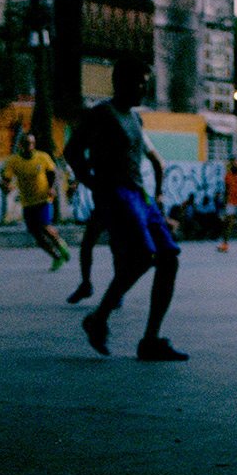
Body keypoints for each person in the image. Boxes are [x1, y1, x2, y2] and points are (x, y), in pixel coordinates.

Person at [64, 57, 188, 361]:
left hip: (139, 194)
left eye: (146, 83)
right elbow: (72, 151)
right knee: (142, 257)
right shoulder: (101, 114)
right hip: (115, 193)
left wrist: (154, 196)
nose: (144, 88)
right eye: (138, 82)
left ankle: (150, 340)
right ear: (120, 83)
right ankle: (98, 318)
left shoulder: (136, 118)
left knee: (169, 258)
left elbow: (149, 160)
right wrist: (92, 184)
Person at [1, 130, 69, 270]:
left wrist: (52, 188)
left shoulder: (42, 157)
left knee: (45, 226)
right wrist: (6, 186)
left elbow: (52, 173)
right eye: (26, 143)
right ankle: (56, 257)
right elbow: (6, 178)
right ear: (21, 145)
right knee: (37, 235)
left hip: (43, 198)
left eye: (32, 143)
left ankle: (62, 246)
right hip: (27, 202)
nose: (29, 146)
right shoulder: (14, 161)